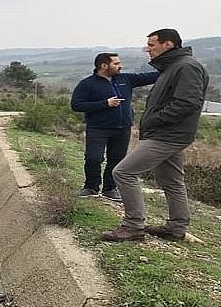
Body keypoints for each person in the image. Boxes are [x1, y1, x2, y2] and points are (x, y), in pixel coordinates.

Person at [102, 29, 208, 242]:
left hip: (168, 134)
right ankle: (176, 228)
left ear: (168, 45)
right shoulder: (173, 67)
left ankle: (133, 226)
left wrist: (156, 119)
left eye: (151, 45)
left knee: (123, 172)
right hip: (168, 133)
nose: (147, 49)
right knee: (171, 179)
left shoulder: (186, 67)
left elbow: (187, 103)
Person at [70, 53, 159, 202]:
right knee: (93, 158)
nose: (120, 66)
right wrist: (105, 103)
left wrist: (170, 66)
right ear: (104, 66)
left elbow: (151, 76)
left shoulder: (126, 79)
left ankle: (110, 189)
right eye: (116, 63)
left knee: (116, 159)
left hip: (123, 128)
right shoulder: (87, 84)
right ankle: (91, 187)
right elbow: (76, 105)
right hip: (98, 128)